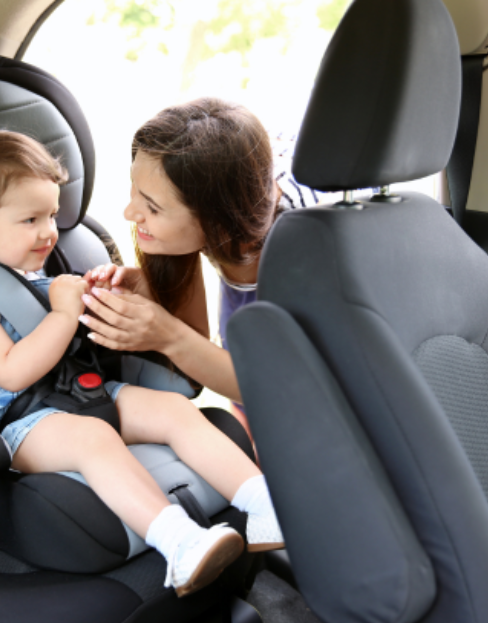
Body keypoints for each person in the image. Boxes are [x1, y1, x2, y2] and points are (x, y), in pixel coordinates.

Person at [0, 130, 284, 598]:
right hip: (20, 424)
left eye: (52, 214)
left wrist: (102, 297)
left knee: (172, 411)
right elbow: (11, 371)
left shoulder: (35, 271)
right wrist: (62, 312)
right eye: (31, 219)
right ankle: (178, 544)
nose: (49, 231)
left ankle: (264, 504)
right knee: (94, 437)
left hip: (80, 393)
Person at [80, 98, 314, 432]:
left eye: (152, 207)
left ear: (216, 221)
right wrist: (155, 293)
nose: (129, 214)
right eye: (135, 188)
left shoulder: (304, 254)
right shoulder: (215, 196)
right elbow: (201, 347)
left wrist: (167, 335)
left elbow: (280, 389)